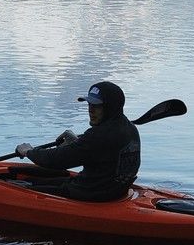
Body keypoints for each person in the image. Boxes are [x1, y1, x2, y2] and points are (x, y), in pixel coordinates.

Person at [13, 81, 141, 201]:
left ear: (110, 107)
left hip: (90, 196)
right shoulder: (130, 128)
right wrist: (77, 143)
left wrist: (29, 151)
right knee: (33, 179)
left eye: (97, 106)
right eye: (89, 104)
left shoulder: (98, 136)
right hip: (112, 192)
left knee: (19, 189)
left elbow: (55, 161)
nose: (90, 110)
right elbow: (100, 151)